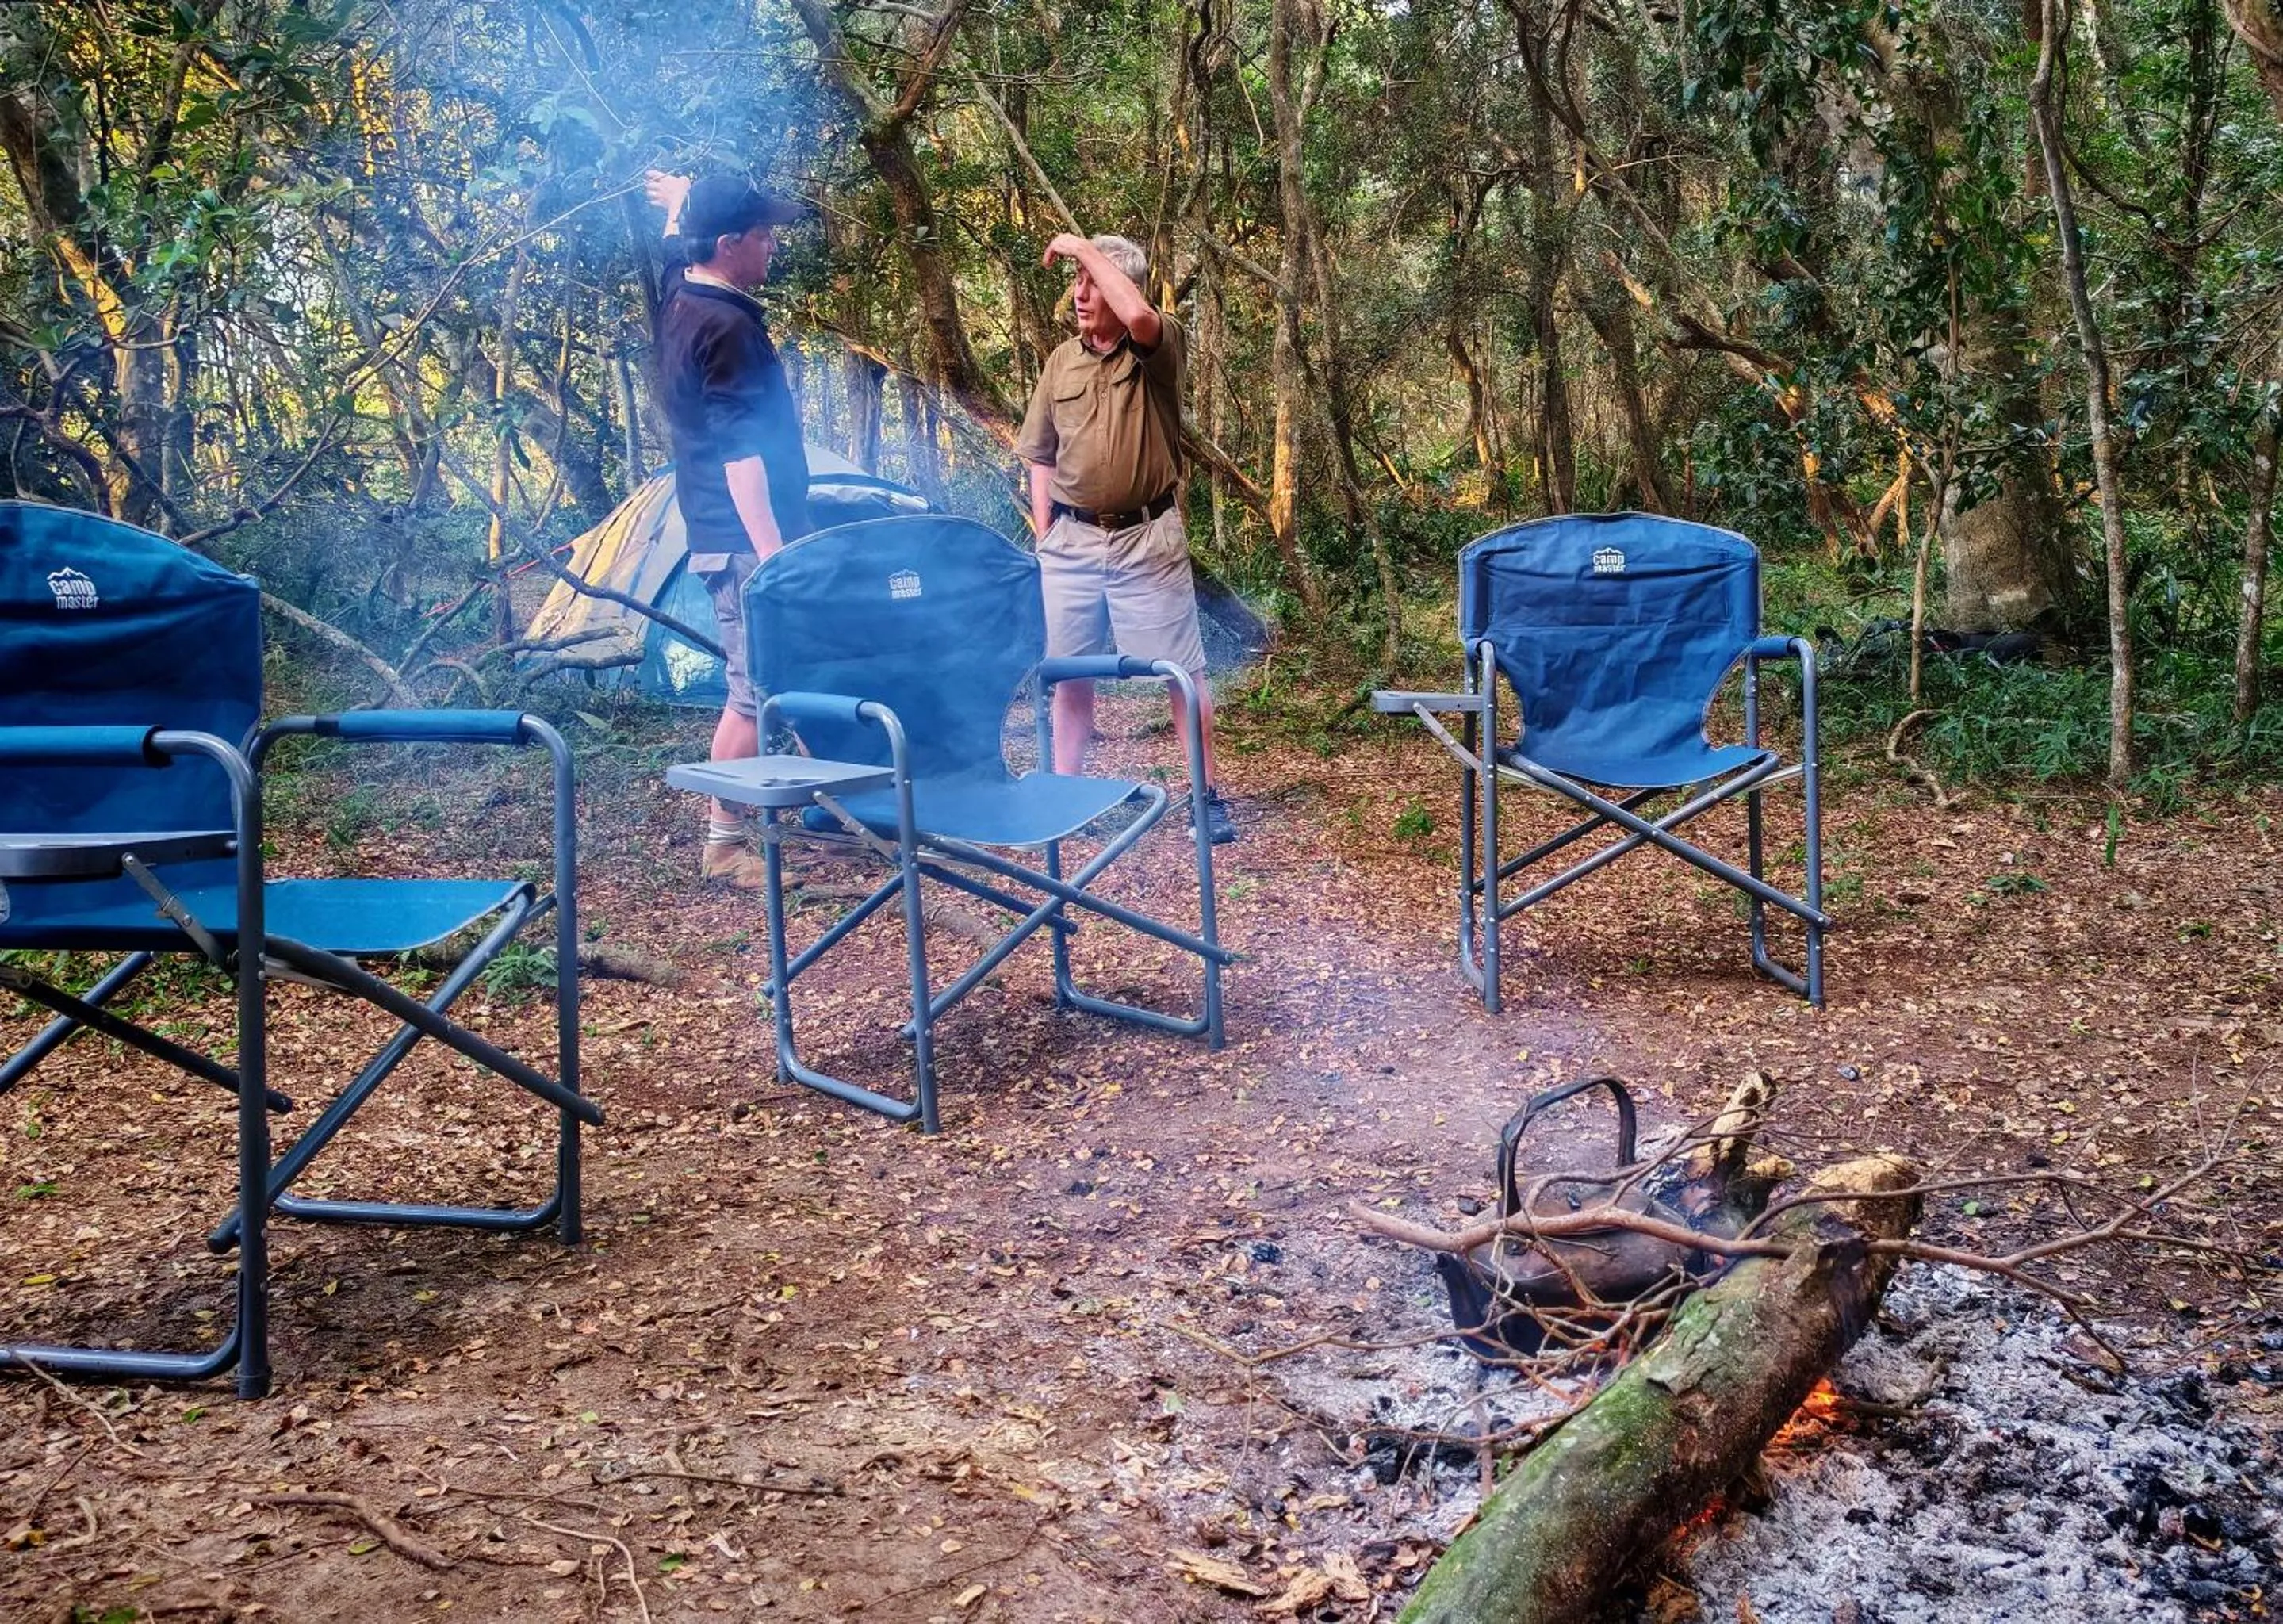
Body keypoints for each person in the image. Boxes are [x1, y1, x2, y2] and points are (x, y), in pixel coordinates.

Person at [1015, 232, 1237, 845]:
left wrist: (1078, 247)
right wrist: (1045, 531)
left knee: (1180, 674)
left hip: (1147, 537)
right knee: (1067, 673)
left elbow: (1137, 314)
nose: (1080, 295)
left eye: (1091, 282)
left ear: (1120, 286)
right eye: (1076, 282)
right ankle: (1064, 793)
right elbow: (1038, 452)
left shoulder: (1155, 347)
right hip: (1072, 544)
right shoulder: (1062, 360)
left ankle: (1204, 797)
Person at [647, 170, 813, 887]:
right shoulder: (728, 326)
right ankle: (723, 844)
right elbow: (741, 452)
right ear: (726, 244)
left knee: (787, 672)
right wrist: (775, 557)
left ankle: (825, 808)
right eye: (761, 235)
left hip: (722, 529)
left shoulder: (683, 295)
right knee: (751, 688)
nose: (772, 246)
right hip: (745, 536)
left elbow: (671, 254)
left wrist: (679, 204)